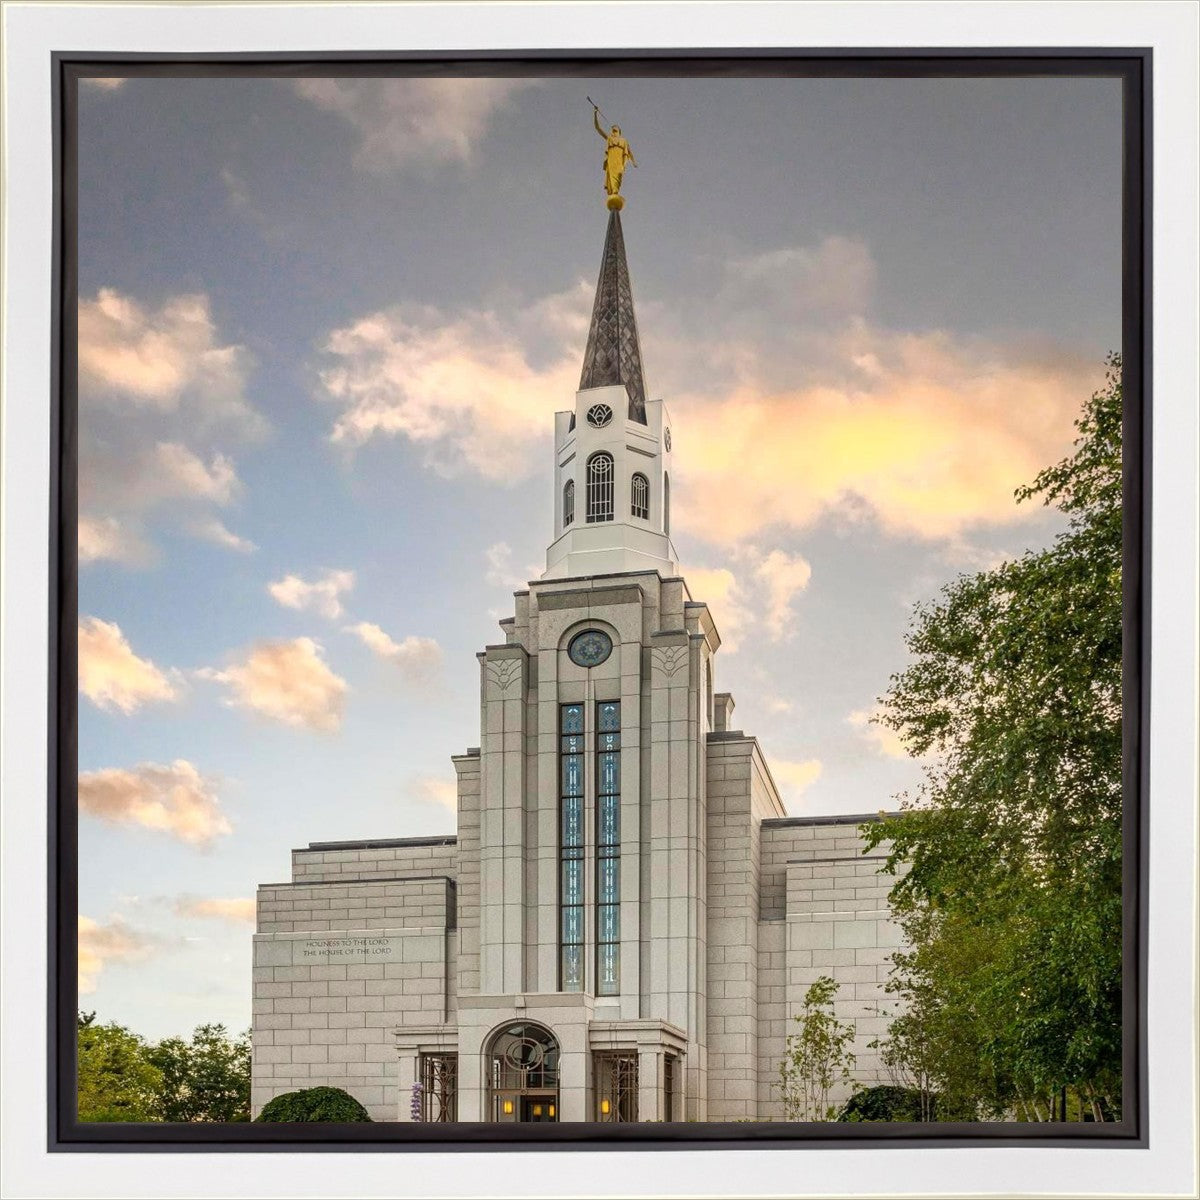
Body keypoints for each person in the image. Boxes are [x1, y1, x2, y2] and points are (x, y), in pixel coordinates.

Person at [593, 108, 637, 198]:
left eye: (615, 130)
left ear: (619, 132)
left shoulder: (623, 140)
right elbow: (598, 128)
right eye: (612, 130)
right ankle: (614, 193)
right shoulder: (609, 139)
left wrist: (633, 161)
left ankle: (615, 193)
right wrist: (595, 114)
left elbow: (629, 152)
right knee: (612, 180)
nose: (613, 131)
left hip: (619, 161)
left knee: (618, 176)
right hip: (611, 160)